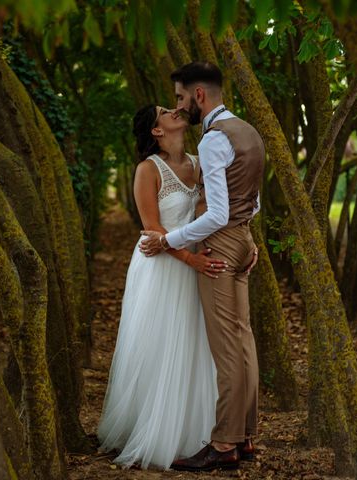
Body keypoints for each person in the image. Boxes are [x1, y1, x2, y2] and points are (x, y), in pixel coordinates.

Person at [140, 61, 265, 472]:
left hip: (220, 245)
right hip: (243, 240)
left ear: (198, 96)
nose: (178, 106)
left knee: (227, 348)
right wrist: (248, 239)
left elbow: (217, 213)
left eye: (179, 97)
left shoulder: (213, 140)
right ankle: (245, 436)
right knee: (243, 340)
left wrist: (168, 240)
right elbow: (253, 200)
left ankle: (224, 443)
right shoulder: (249, 132)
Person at [97, 104, 226, 470]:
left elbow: (217, 210)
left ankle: (194, 434)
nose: (176, 110)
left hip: (195, 265)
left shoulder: (201, 163)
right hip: (162, 268)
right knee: (161, 346)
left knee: (194, 344)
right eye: (166, 111)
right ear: (156, 130)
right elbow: (152, 229)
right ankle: (154, 433)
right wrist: (192, 259)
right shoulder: (147, 170)